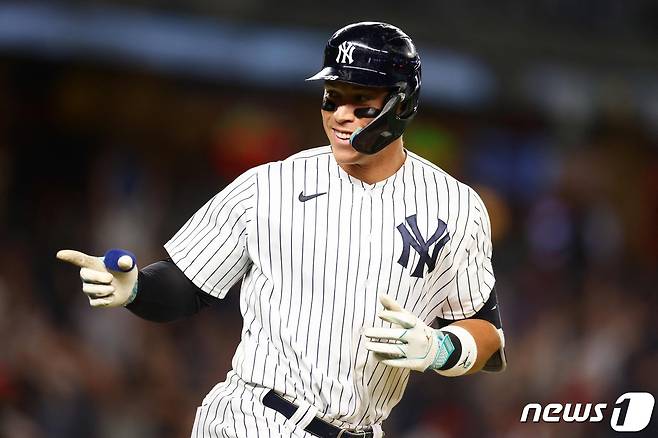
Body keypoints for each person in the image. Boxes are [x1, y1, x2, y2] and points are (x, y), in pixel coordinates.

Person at [57, 21, 506, 438]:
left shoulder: (456, 207)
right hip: (256, 418)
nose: (340, 114)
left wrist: (440, 348)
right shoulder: (270, 185)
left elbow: (487, 334)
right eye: (332, 97)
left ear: (402, 103)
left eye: (360, 102)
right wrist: (137, 287)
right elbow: (184, 287)